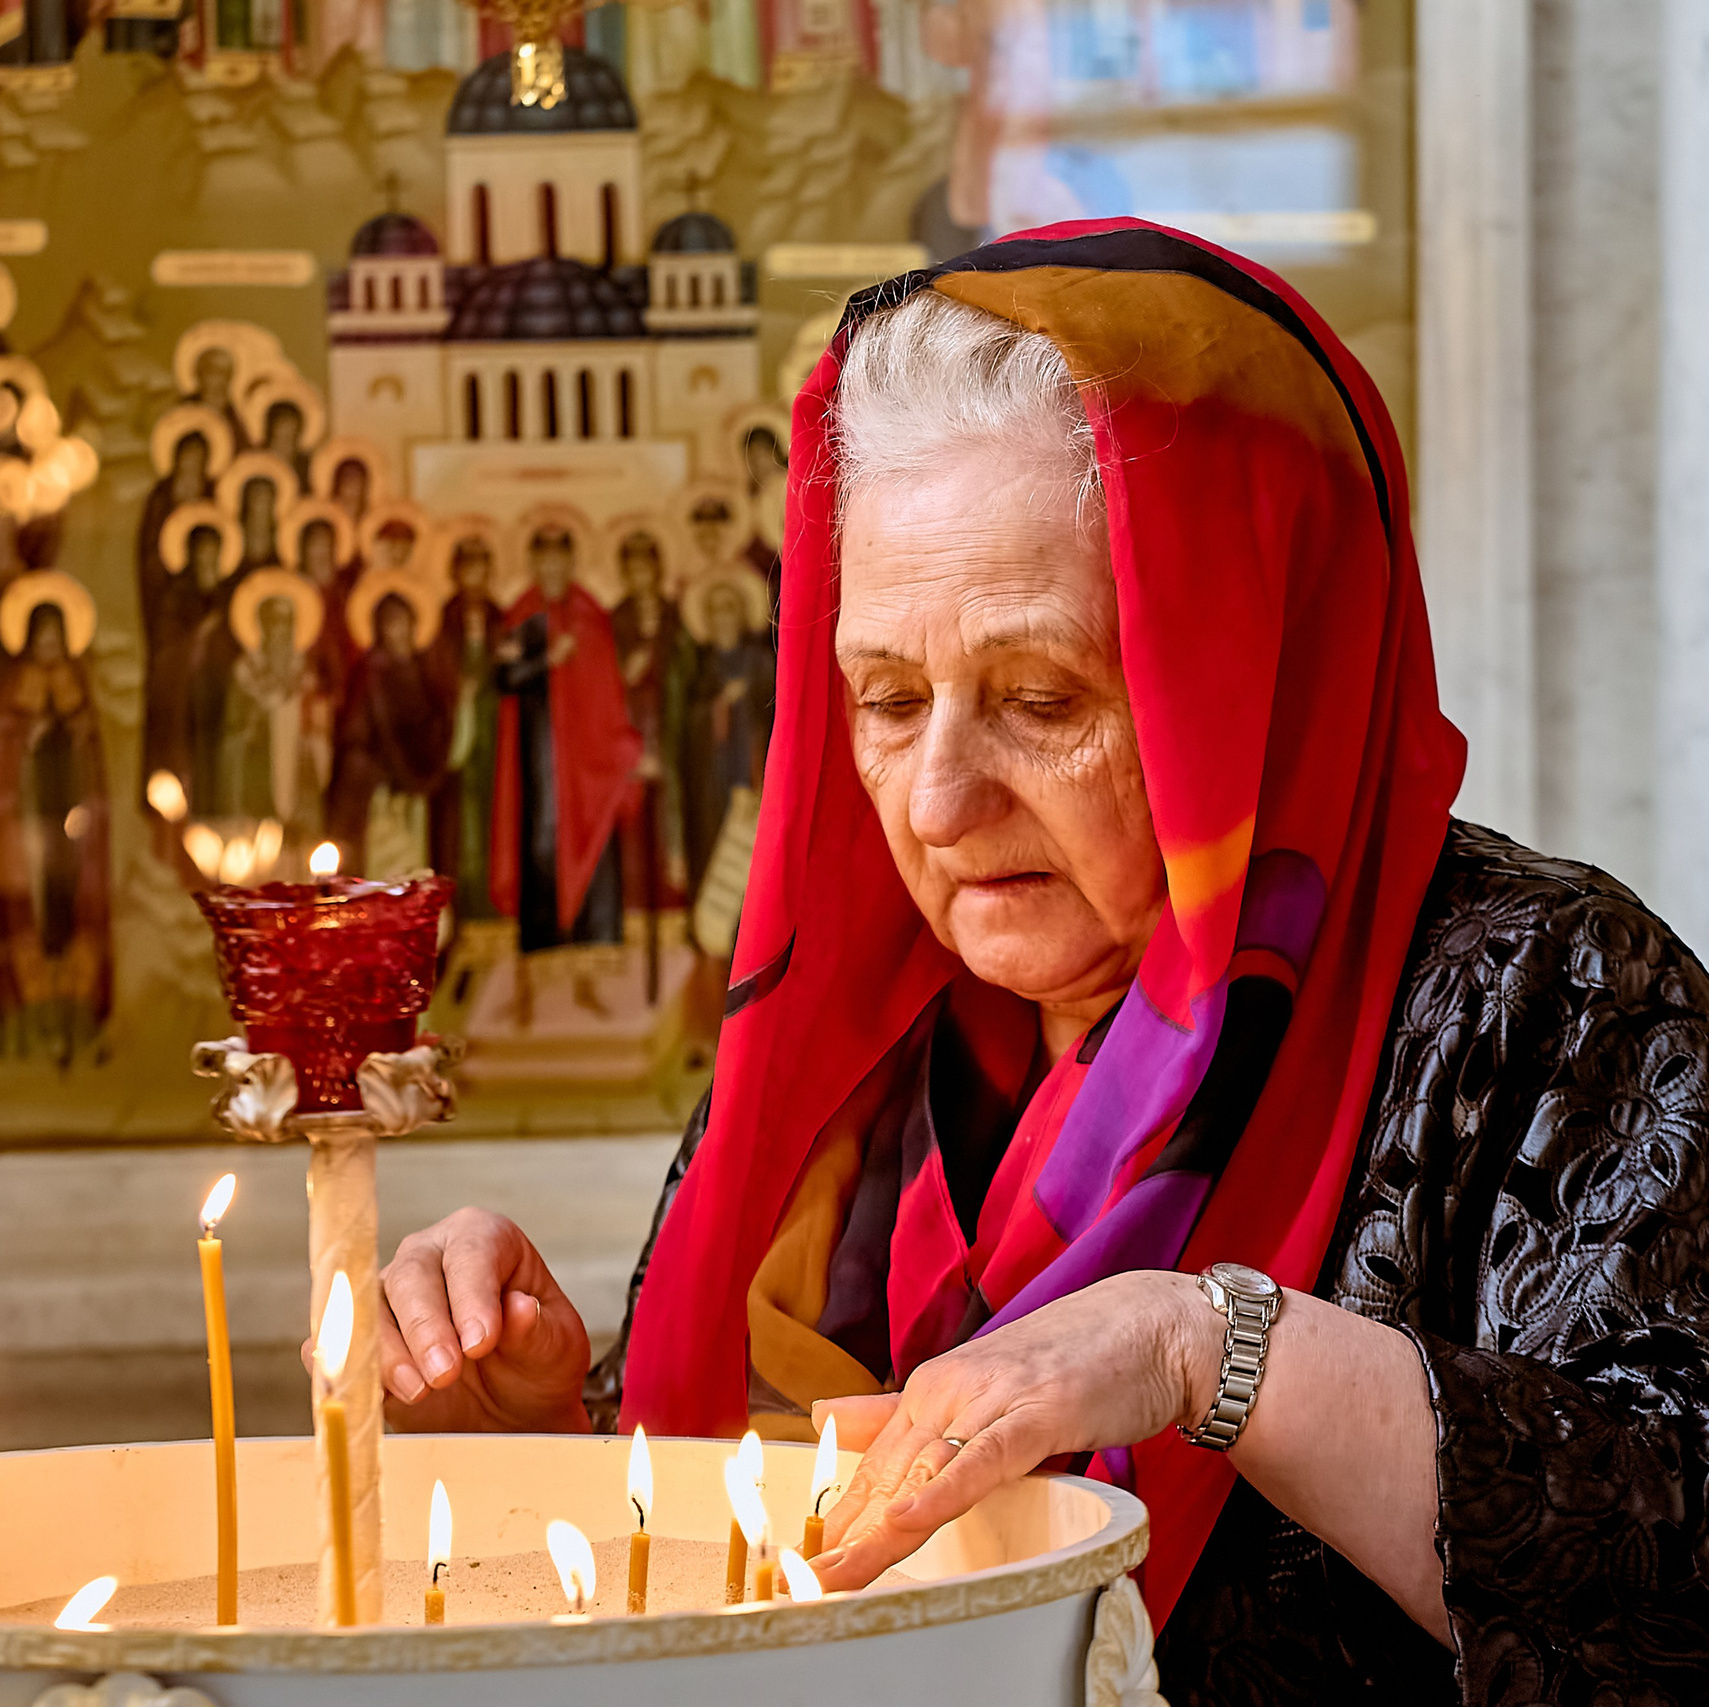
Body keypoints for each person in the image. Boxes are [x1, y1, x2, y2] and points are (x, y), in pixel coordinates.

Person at [363, 223, 1709, 1702]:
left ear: (1262, 674)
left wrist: (1208, 1348)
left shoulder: (1551, 996)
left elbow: (1677, 1563)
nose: (939, 800)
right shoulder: (850, 1058)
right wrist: (531, 1428)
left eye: (1038, 694)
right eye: (884, 698)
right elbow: (761, 1580)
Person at [490, 524, 640, 1020]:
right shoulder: (522, 616)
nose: (552, 572)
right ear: (534, 566)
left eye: (560, 562)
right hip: (537, 771)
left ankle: (586, 985)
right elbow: (504, 679)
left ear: (571, 564)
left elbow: (607, 692)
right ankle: (530, 992)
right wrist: (544, 661)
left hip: (587, 773)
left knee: (594, 869)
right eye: (544, 563)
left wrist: (623, 752)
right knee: (539, 867)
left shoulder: (589, 617)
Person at [0, 592, 110, 1061]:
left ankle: (73, 1021)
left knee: (69, 912)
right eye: (41, 639)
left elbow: (91, 753)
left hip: (71, 822)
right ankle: (30, 1024)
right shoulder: (13, 686)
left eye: (55, 639)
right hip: (25, 821)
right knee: (31, 914)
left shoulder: (77, 684)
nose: (48, 648)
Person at [326, 581, 452, 878]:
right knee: (379, 869)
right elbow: (355, 734)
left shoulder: (425, 670)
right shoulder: (370, 673)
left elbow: (436, 721)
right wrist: (382, 764)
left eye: (404, 621)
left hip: (415, 789)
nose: (399, 630)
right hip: (377, 792)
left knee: (412, 869)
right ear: (379, 629)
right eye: (391, 623)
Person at [682, 573, 774, 904]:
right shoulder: (700, 668)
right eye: (715, 610)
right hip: (711, 788)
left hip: (754, 781)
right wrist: (719, 704)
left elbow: (777, 717)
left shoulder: (761, 663)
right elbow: (688, 727)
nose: (723, 617)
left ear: (742, 614)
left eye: (729, 608)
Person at [427, 533, 504, 925]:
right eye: (467, 568)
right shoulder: (441, 619)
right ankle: (458, 908)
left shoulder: (499, 617)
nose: (475, 576)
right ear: (456, 573)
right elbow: (435, 676)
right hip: (455, 743)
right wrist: (459, 689)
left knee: (492, 822)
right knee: (457, 828)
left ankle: (488, 903)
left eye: (482, 568)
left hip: (493, 741)